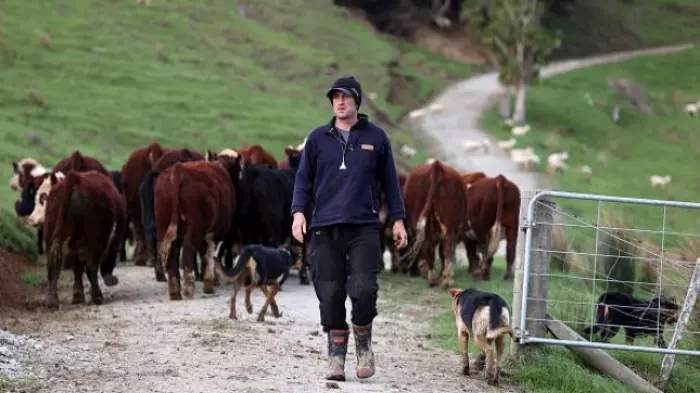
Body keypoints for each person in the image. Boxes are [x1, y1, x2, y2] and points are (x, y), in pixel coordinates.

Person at [290, 76, 408, 382]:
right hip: (324, 227)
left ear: (357, 101)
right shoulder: (317, 139)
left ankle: (364, 344)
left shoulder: (377, 138)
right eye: (335, 97)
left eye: (346, 97)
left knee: (364, 289)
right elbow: (303, 180)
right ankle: (336, 357)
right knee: (329, 293)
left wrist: (397, 219)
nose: (340, 102)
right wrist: (298, 214)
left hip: (364, 227)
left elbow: (391, 183)